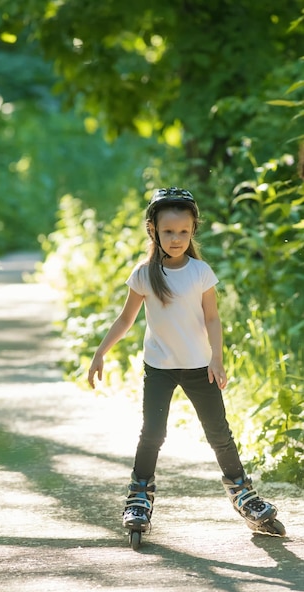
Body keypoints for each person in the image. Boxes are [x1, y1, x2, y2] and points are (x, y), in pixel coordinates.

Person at [88, 186, 285, 537]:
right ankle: (139, 494)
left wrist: (217, 359)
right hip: (160, 368)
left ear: (193, 230)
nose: (176, 238)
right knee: (152, 433)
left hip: (199, 366)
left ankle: (243, 493)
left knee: (219, 434)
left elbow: (212, 318)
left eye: (183, 231)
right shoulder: (144, 275)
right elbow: (125, 320)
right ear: (153, 230)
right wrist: (100, 352)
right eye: (168, 231)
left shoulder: (200, 272)